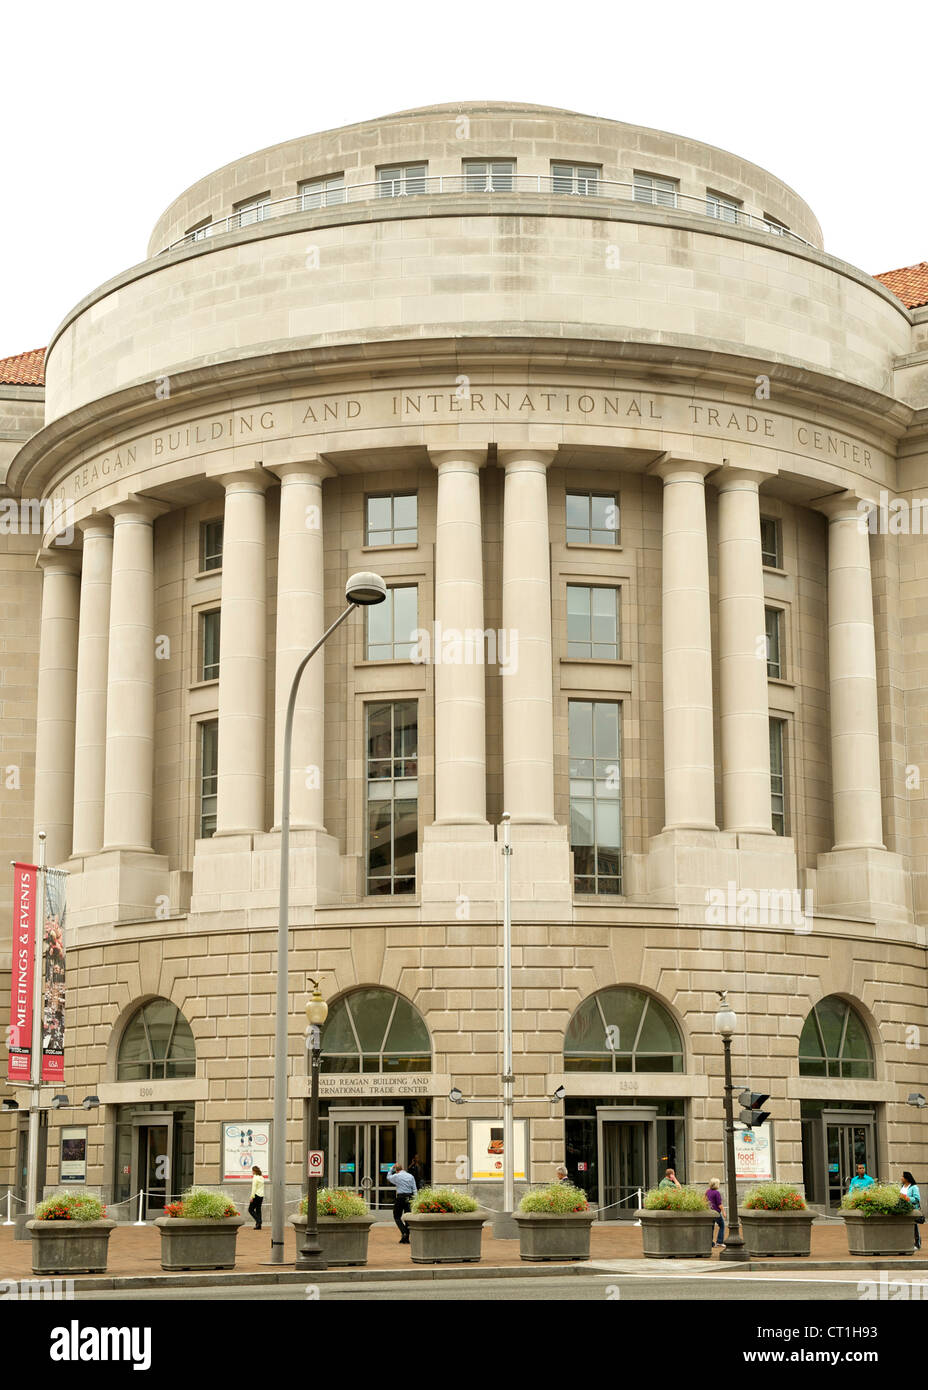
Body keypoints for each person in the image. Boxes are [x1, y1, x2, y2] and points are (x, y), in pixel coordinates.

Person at [386, 1162, 417, 1244]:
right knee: (407, 1217)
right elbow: (414, 1189)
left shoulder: (396, 1176)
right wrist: (415, 1199)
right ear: (402, 1168)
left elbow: (388, 1177)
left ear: (396, 1170)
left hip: (400, 1197)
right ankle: (406, 1238)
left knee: (396, 1216)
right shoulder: (410, 1176)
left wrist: (391, 1169)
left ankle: (404, 1232)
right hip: (409, 1197)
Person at [901, 1170, 922, 1251]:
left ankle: (917, 1244)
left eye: (902, 1176)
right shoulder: (902, 1186)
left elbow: (917, 1199)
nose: (901, 1178)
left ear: (906, 1178)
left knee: (914, 1227)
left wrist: (907, 1198)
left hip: (912, 1209)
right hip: (903, 1209)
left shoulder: (914, 1187)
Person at [706, 1179, 725, 1249]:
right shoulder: (717, 1193)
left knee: (711, 1227)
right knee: (722, 1225)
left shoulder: (707, 1191)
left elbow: (704, 1200)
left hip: (709, 1212)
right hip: (716, 1212)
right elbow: (719, 1204)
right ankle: (719, 1242)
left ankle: (709, 1242)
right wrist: (724, 1212)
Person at [247, 1165, 264, 1230]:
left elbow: (254, 1188)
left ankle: (259, 1221)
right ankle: (258, 1225)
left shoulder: (255, 1178)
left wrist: (252, 1197)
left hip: (256, 1195)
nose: (252, 1172)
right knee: (258, 1210)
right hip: (261, 1195)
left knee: (250, 1209)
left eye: (252, 1171)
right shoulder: (262, 1177)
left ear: (254, 1171)